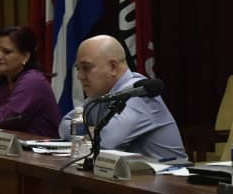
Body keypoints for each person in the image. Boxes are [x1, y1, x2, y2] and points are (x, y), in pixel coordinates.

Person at [58, 35, 186, 162]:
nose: (80, 76)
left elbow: (106, 140)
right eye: (78, 69)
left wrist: (83, 133)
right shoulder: (100, 95)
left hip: (169, 178)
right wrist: (92, 132)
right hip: (133, 177)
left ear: (113, 67)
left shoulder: (138, 93)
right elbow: (64, 125)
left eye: (86, 68)